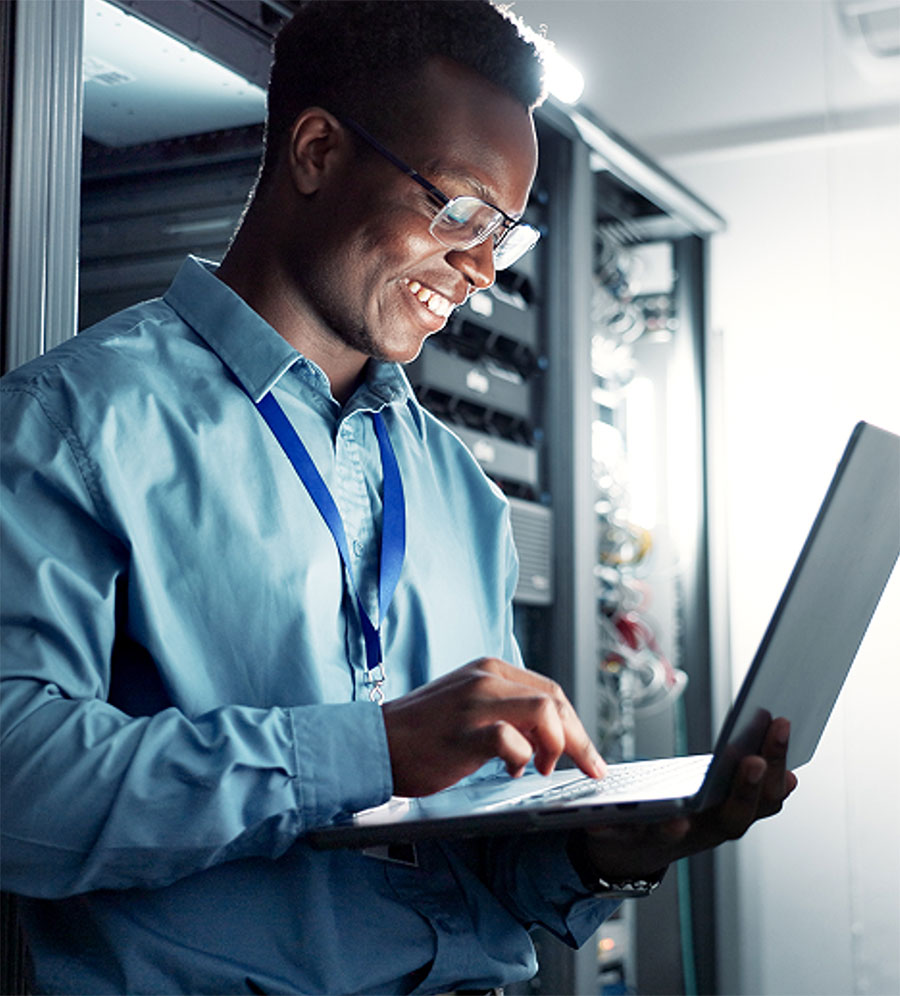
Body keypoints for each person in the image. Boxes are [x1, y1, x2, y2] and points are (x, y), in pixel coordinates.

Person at [0, 2, 796, 993]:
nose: (478, 275)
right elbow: (17, 788)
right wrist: (367, 751)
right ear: (319, 151)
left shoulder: (459, 491)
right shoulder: (74, 422)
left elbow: (480, 852)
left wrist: (621, 850)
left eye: (502, 239)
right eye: (457, 212)